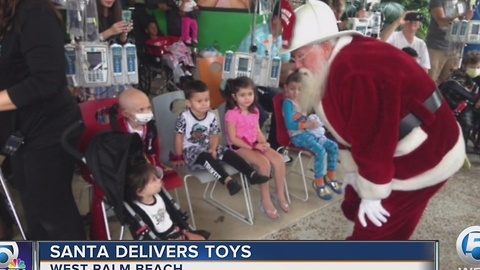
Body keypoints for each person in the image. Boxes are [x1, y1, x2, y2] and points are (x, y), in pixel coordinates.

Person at [280, 0, 465, 240]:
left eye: (300, 55)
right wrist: (355, 174)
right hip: (396, 144)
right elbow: (349, 124)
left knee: (374, 234)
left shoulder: (356, 71)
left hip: (425, 152)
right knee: (353, 206)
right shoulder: (334, 63)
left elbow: (375, 135)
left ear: (325, 46)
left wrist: (373, 191)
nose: (298, 65)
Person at [0, 0, 86, 240]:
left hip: (50, 130)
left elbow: (46, 80)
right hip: (20, 134)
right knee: (34, 210)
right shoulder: (7, 16)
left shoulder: (33, 12)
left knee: (53, 215)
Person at [172, 80, 270, 196]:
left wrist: (213, 148)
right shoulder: (184, 118)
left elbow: (214, 135)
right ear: (188, 103)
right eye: (199, 101)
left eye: (206, 100)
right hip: (191, 151)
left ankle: (252, 174)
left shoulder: (211, 116)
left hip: (208, 146)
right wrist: (179, 157)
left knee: (228, 152)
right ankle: (228, 181)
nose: (204, 104)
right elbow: (179, 138)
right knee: (206, 157)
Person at [237, 1, 296, 162]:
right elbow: (251, 71)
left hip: (261, 84)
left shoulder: (280, 38)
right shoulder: (258, 36)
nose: (287, 30)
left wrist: (299, 65)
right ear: (276, 20)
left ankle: (275, 147)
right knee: (259, 113)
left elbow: (283, 66)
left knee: (283, 103)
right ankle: (247, 148)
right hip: (242, 83)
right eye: (284, 26)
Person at [224, 77, 289, 220]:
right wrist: (254, 146)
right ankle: (265, 200)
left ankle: (279, 193)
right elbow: (234, 138)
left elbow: (257, 131)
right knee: (263, 163)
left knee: (278, 160)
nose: (247, 98)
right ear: (234, 96)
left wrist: (263, 142)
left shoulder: (255, 112)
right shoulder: (231, 114)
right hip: (239, 147)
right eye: (242, 95)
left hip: (255, 143)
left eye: (250, 94)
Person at [282, 71, 341, 201]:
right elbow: (289, 124)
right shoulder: (288, 103)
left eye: (300, 89)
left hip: (310, 133)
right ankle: (318, 182)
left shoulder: (303, 101)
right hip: (297, 136)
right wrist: (307, 125)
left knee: (333, 147)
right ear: (286, 88)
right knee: (320, 151)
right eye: (292, 89)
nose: (296, 93)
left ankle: (331, 176)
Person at [117, 88, 184, 184]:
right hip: (130, 169)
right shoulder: (118, 130)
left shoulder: (150, 127)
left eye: (148, 108)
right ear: (126, 114)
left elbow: (156, 149)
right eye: (141, 109)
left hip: (150, 163)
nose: (147, 112)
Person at [126, 162, 206, 240]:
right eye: (154, 180)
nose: (159, 180)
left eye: (157, 177)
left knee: (201, 238)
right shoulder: (138, 209)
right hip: (161, 238)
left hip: (175, 230)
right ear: (141, 192)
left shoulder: (159, 196)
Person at [426, 0, 474, 84]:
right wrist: (462, 18)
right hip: (437, 47)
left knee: (448, 82)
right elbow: (441, 21)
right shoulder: (437, 1)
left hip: (455, 48)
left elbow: (466, 21)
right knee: (430, 80)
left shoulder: (464, 2)